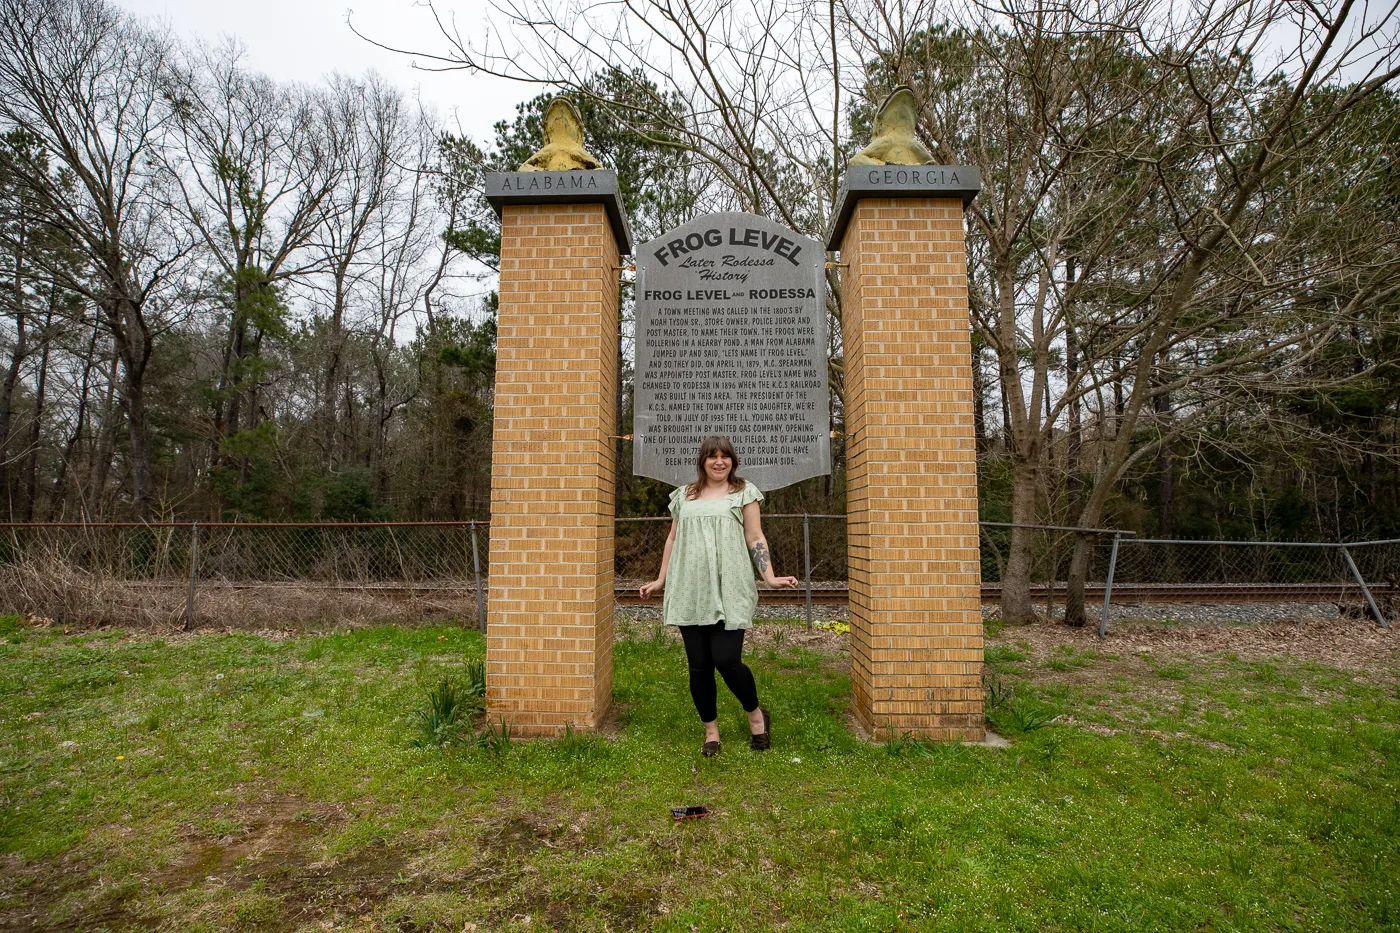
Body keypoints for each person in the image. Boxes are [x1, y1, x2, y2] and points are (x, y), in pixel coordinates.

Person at [639, 436, 799, 756]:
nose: (719, 462)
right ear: (702, 462)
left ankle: (756, 717)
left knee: (726, 660)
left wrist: (769, 576)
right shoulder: (684, 495)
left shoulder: (743, 492)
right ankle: (711, 732)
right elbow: (673, 539)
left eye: (725, 457)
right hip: (690, 588)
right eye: (712, 457)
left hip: (729, 588)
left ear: (732, 462)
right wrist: (661, 579)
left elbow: (755, 536)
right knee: (699, 666)